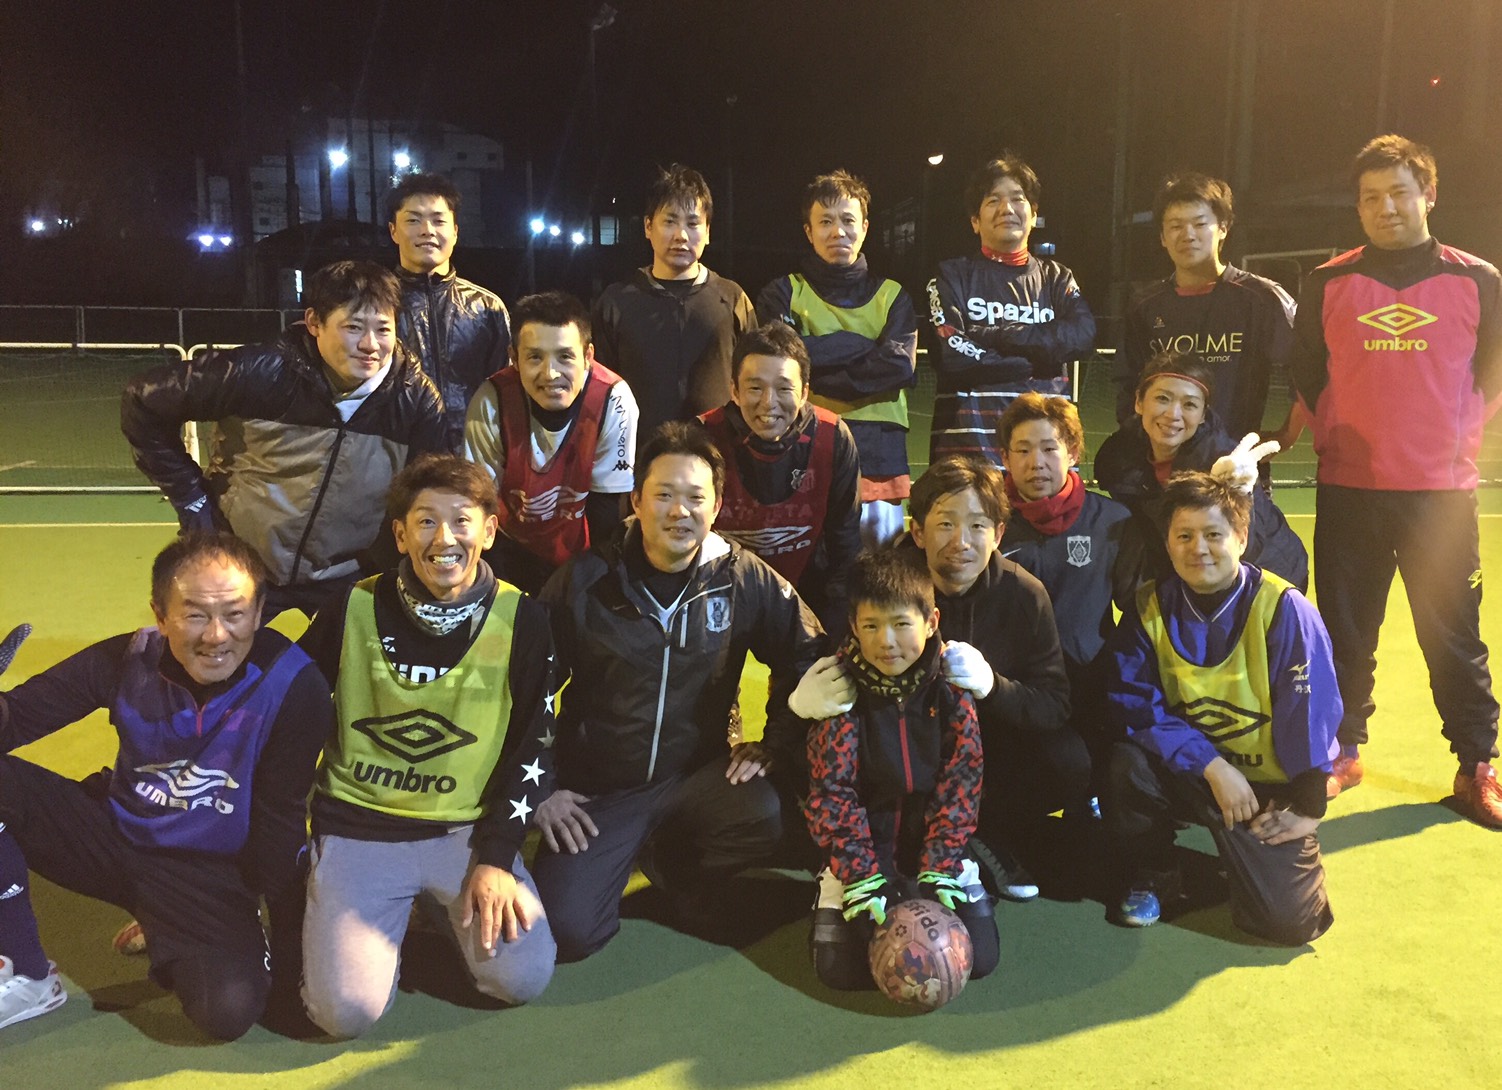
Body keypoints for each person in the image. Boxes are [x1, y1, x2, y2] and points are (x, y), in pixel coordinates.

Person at [0, 533, 332, 1039]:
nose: (216, 635)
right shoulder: (125, 658)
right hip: (114, 835)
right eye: (195, 614)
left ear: (259, 613)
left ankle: (167, 924)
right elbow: (18, 719)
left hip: (207, 876)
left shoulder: (294, 687)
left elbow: (281, 828)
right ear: (160, 614)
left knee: (227, 1012)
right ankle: (28, 974)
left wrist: (291, 960)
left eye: (235, 614)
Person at [532, 422, 825, 962]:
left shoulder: (741, 576)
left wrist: (774, 744)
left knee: (774, 815)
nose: (679, 511)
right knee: (566, 928)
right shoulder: (585, 580)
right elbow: (528, 683)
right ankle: (629, 849)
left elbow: (808, 655)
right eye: (664, 494)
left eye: (695, 497)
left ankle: (669, 860)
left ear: (717, 506)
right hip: (602, 792)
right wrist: (543, 787)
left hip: (697, 777)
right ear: (637, 500)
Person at [295, 454, 556, 1037]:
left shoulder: (522, 618)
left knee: (523, 978)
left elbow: (533, 746)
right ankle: (362, 915)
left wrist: (497, 858)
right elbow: (289, 708)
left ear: (490, 531)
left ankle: (426, 913)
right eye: (426, 522)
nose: (445, 539)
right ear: (400, 535)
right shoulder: (352, 606)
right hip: (361, 827)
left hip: (463, 833)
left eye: (462, 521)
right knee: (345, 1014)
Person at [1290, 134, 1502, 823]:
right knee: (1346, 633)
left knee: (1453, 635)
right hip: (1350, 488)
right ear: (1358, 207)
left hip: (1441, 497)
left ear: (1428, 195)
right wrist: (1335, 433)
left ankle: (1476, 765)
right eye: (1370, 197)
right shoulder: (1327, 282)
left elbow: (1493, 369)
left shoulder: (1479, 280)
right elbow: (1305, 370)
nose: (1385, 207)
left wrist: (1456, 435)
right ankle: (1343, 751)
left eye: (1399, 193)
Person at [122, 259, 447, 620]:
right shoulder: (261, 372)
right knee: (213, 652)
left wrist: (382, 558)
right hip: (241, 563)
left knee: (357, 658)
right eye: (353, 327)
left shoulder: (415, 399)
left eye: (383, 329)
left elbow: (427, 490)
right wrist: (192, 500)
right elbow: (142, 400)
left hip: (346, 576)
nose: (370, 344)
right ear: (314, 323)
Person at [1106, 472, 1338, 944]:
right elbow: (1136, 705)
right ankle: (1156, 868)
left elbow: (1311, 714)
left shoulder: (1284, 608)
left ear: (1241, 537)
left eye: (1214, 534)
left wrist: (1309, 805)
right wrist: (1211, 765)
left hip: (1264, 788)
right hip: (1194, 773)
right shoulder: (1149, 607)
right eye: (1184, 536)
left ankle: (1247, 857)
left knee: (1288, 924)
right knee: (1124, 766)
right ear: (1168, 543)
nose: (1199, 549)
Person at [804, 549, 997, 990]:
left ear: (930, 622)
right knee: (842, 973)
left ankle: (954, 870)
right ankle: (831, 884)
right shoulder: (839, 691)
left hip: (930, 843)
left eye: (901, 624)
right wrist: (860, 875)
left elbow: (962, 781)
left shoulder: (951, 689)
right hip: (865, 848)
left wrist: (941, 862)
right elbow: (832, 792)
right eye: (871, 626)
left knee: (981, 959)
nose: (887, 641)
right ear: (854, 626)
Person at [756, 170, 918, 546]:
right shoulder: (782, 293)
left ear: (864, 227)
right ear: (809, 231)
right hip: (804, 443)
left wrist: (812, 358)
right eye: (825, 221)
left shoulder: (893, 296)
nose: (837, 231)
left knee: (878, 566)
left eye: (847, 220)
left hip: (879, 453)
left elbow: (898, 366)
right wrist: (862, 344)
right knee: (805, 562)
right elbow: (779, 362)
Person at [998, 393, 1135, 777]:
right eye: (1022, 450)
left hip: (1091, 686)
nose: (1036, 462)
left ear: (1072, 452)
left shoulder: (1112, 521)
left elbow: (1140, 610)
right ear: (1005, 457)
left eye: (1049, 448)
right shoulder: (989, 522)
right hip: (1014, 688)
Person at [926, 154, 1096, 465]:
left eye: (1018, 199)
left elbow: (1082, 337)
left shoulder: (1057, 278)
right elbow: (950, 351)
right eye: (993, 200)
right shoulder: (952, 275)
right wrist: (1032, 361)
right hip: (968, 463)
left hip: (1043, 463)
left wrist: (996, 336)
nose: (1007, 208)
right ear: (975, 221)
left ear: (1033, 214)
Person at [464, 290, 638, 593]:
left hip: (580, 548)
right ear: (514, 358)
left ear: (588, 356)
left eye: (565, 356)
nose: (551, 373)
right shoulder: (492, 400)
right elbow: (480, 504)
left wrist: (597, 582)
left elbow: (607, 507)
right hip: (508, 543)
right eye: (535, 357)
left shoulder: (614, 398)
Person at [1094, 351, 1308, 592]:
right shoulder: (1120, 460)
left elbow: (1249, 546)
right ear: (1139, 402)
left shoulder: (1225, 461)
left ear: (1203, 415)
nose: (1173, 414)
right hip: (1195, 577)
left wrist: (1241, 497)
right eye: (1163, 398)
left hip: (1267, 578)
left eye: (1189, 404)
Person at [697, 321, 861, 633]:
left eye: (784, 388)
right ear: (734, 391)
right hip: (721, 594)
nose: (768, 402)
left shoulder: (833, 437)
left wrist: (835, 627)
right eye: (755, 388)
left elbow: (845, 544)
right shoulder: (703, 438)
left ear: (804, 392)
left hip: (808, 592)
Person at [1115, 172, 1300, 442]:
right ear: (1162, 237)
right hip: (1163, 461)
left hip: (1235, 460)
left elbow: (1311, 366)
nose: (1187, 235)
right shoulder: (1145, 306)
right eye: (1176, 226)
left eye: (1200, 223)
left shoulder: (1261, 298)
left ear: (1223, 228)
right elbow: (1127, 384)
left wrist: (1287, 435)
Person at [591, 164, 756, 438]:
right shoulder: (616, 302)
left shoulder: (732, 299)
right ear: (648, 226)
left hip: (717, 454)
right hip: (639, 455)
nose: (681, 235)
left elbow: (752, 377)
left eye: (693, 223)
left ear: (707, 231)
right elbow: (599, 387)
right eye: (669, 222)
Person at [387, 172, 512, 452]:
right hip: (399, 456)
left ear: (455, 231)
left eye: (438, 220)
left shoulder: (487, 307)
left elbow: (506, 391)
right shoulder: (378, 304)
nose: (427, 230)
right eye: (413, 220)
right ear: (393, 230)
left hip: (474, 454)